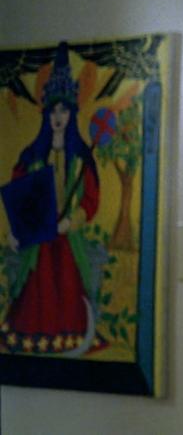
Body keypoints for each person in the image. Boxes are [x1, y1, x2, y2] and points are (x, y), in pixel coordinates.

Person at [3, 48, 104, 357]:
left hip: (66, 238)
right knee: (37, 291)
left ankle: (69, 338)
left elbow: (91, 201)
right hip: (39, 238)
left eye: (64, 111)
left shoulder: (81, 158)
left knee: (67, 287)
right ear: (46, 115)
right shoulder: (32, 156)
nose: (58, 117)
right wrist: (16, 231)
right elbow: (19, 198)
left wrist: (70, 221)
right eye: (53, 111)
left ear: (71, 114)